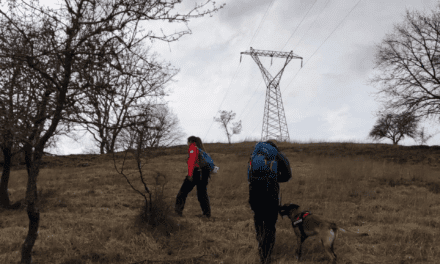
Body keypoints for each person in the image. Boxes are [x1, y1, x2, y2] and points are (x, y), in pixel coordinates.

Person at [248, 139, 292, 264]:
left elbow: (249, 176)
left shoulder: (254, 155)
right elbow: (288, 175)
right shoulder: (277, 155)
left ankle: (261, 244)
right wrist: (274, 178)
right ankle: (266, 256)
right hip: (270, 193)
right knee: (270, 224)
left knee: (258, 219)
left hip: (254, 193)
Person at [175, 136, 211, 219]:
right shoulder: (202, 150)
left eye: (187, 141)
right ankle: (206, 214)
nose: (187, 143)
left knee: (182, 192)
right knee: (202, 194)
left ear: (190, 142)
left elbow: (191, 162)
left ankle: (177, 212)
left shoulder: (193, 148)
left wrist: (190, 175)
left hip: (196, 172)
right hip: (205, 173)